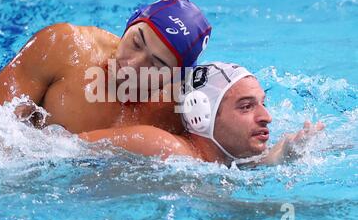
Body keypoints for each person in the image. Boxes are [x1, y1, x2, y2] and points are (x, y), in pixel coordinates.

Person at [0, 0, 211, 134]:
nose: (132, 64)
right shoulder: (62, 47)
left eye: (157, 64)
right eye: (136, 42)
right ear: (130, 24)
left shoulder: (178, 112)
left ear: (176, 77)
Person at [79, 62, 325, 166]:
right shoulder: (162, 147)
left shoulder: (222, 157)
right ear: (201, 113)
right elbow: (63, 148)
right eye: (246, 106)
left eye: (262, 103)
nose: (266, 116)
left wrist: (276, 159)